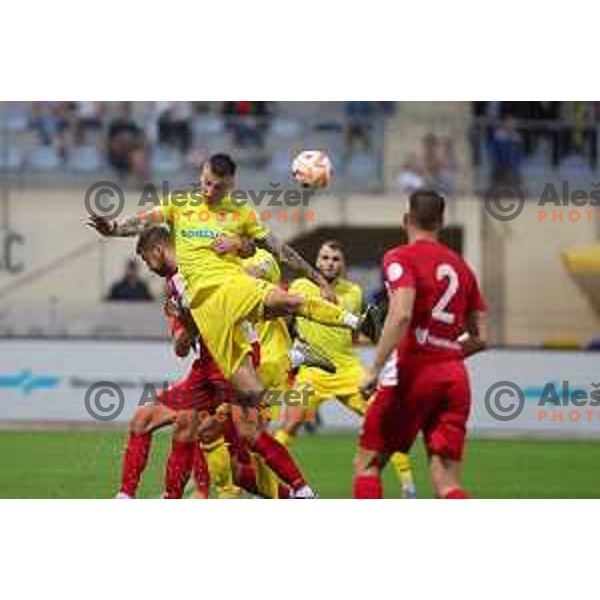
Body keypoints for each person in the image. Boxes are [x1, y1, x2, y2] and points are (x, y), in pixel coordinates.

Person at [354, 189, 487, 499]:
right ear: (441, 221)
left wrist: (374, 369)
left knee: (368, 463)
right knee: (447, 482)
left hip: (413, 372)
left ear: (406, 220)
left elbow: (401, 313)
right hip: (454, 377)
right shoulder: (462, 268)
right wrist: (449, 351)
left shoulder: (399, 257)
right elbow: (481, 336)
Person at [274, 240, 416, 498]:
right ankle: (265, 484)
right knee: (288, 426)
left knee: (384, 422)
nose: (330, 262)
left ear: (343, 264)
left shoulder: (354, 292)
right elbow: (283, 321)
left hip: (348, 370)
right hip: (311, 371)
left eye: (335, 258)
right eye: (325, 258)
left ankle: (409, 487)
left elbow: (353, 334)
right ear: (316, 262)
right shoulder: (300, 286)